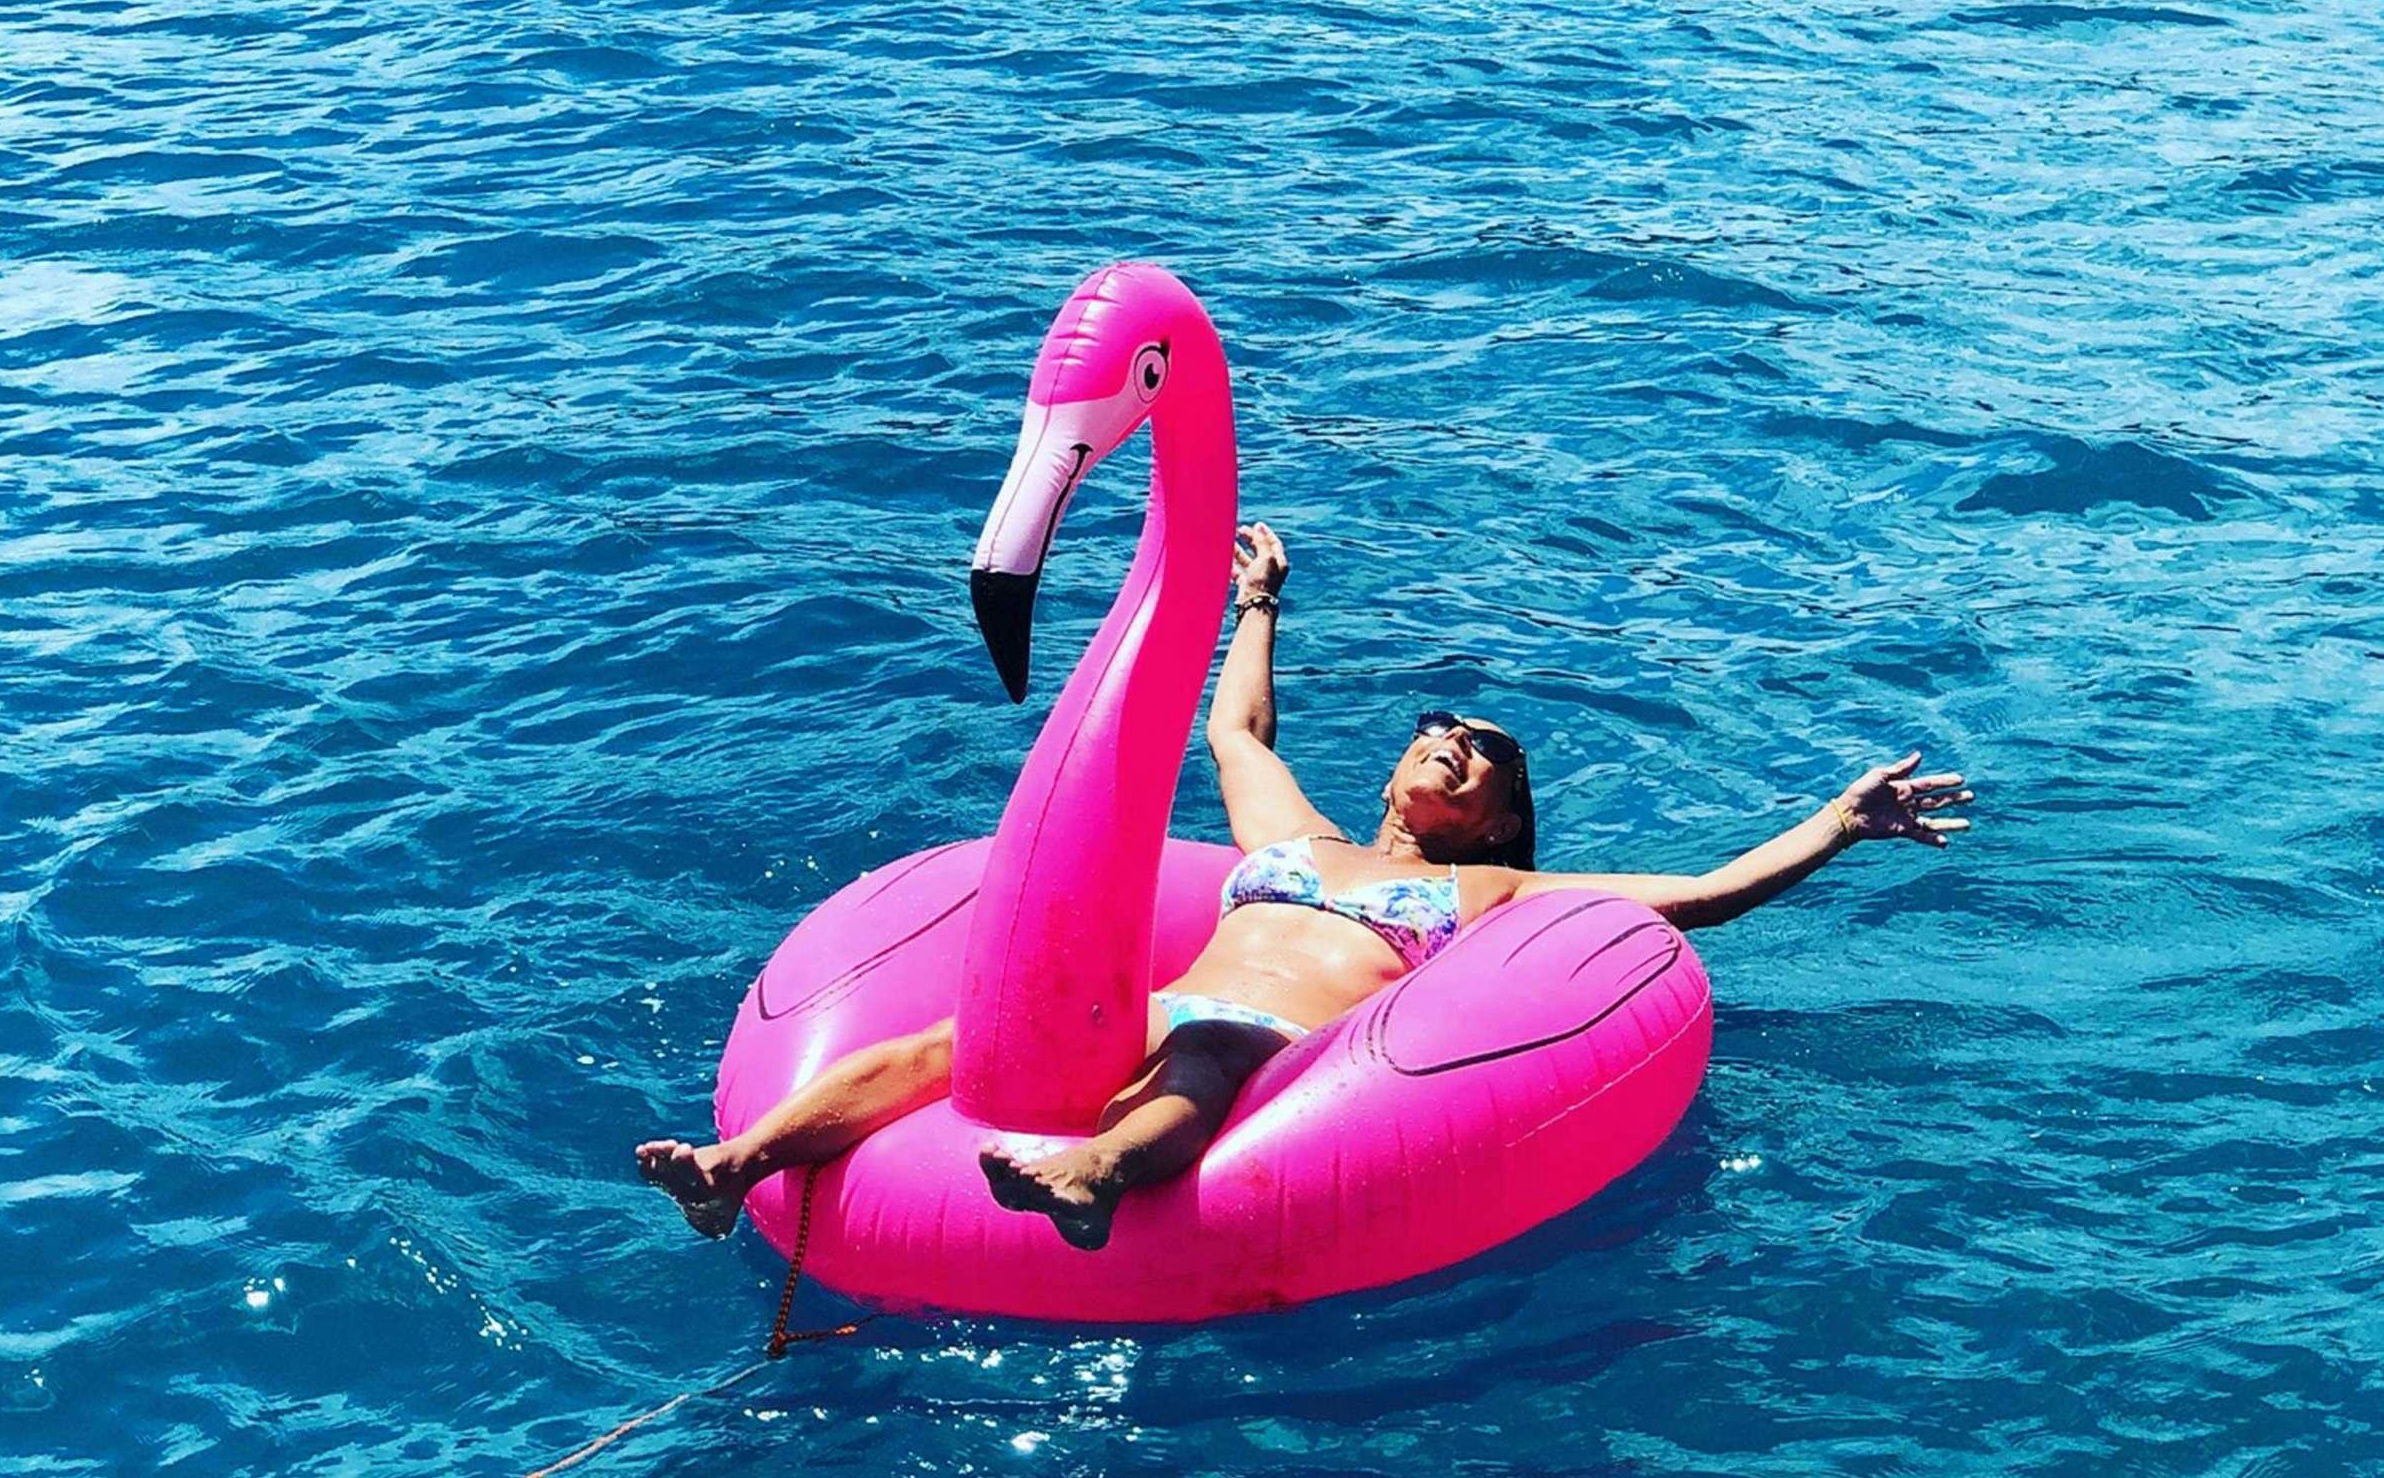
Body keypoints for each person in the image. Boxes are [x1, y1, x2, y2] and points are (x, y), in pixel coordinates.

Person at [638, 522, 1975, 1250]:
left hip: (1270, 1045)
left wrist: (1838, 825)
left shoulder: (1495, 899)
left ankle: (1096, 1179)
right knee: (953, 1044)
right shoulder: (1296, 838)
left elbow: (1699, 895)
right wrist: (1262, 604)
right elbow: (1238, 738)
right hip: (1163, 997)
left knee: (1202, 1064)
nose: (1454, 736)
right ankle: (733, 1163)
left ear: (1498, 817)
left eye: (1484, 752)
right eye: (1443, 726)